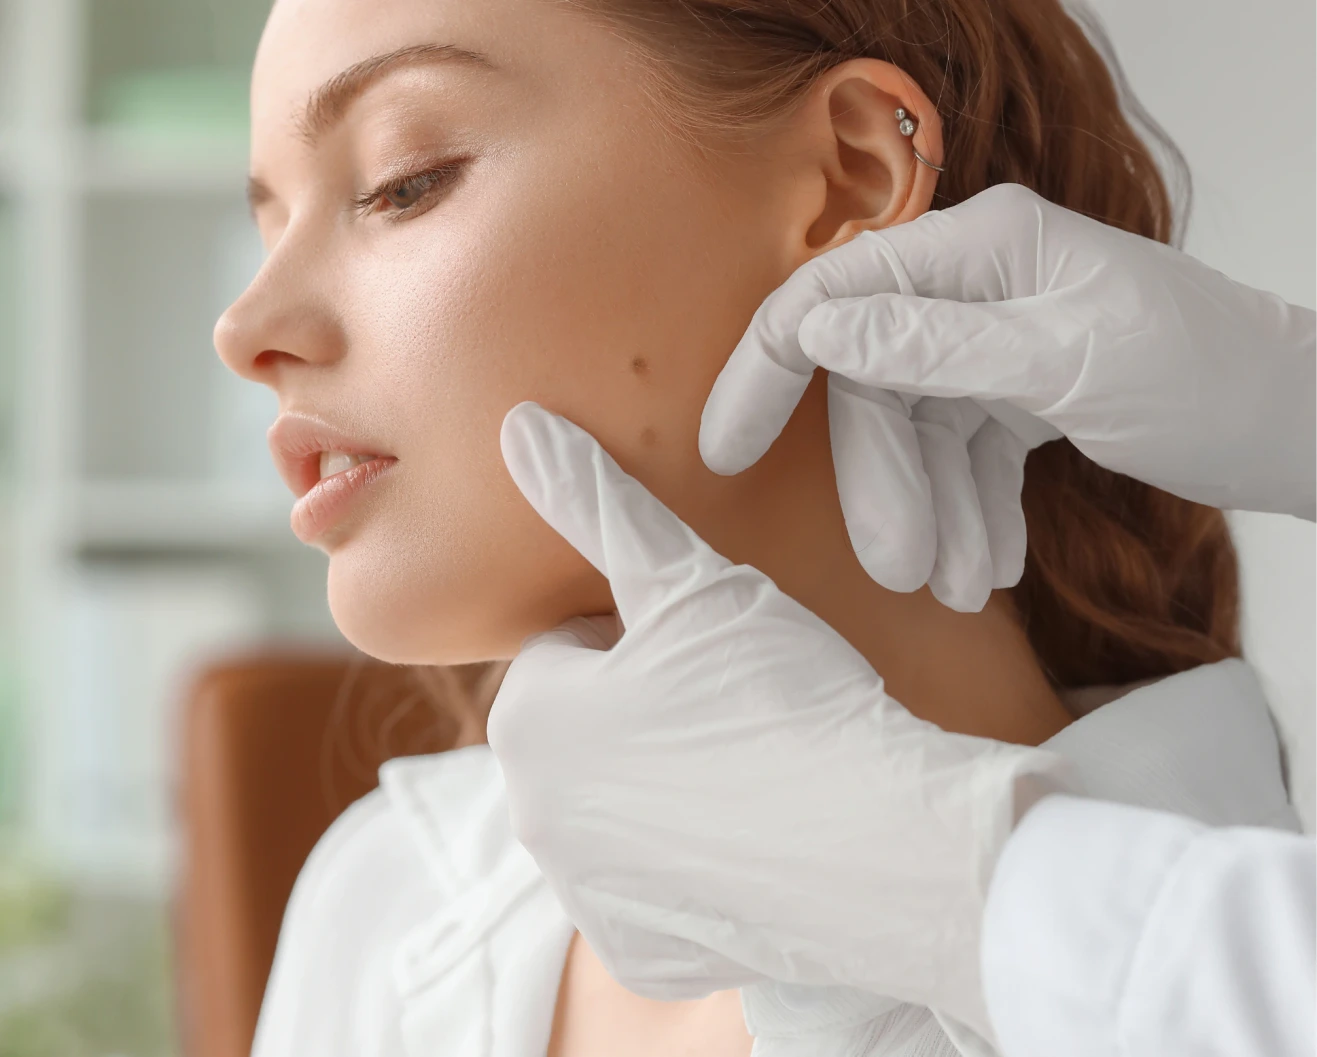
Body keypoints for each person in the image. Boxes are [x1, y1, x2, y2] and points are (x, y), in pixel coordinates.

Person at [211, 0, 1307, 1054]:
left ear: (851, 175)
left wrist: (912, 883)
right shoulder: (389, 892)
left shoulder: (1211, 915)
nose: (246, 330)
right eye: (267, 227)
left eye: (404, 183)